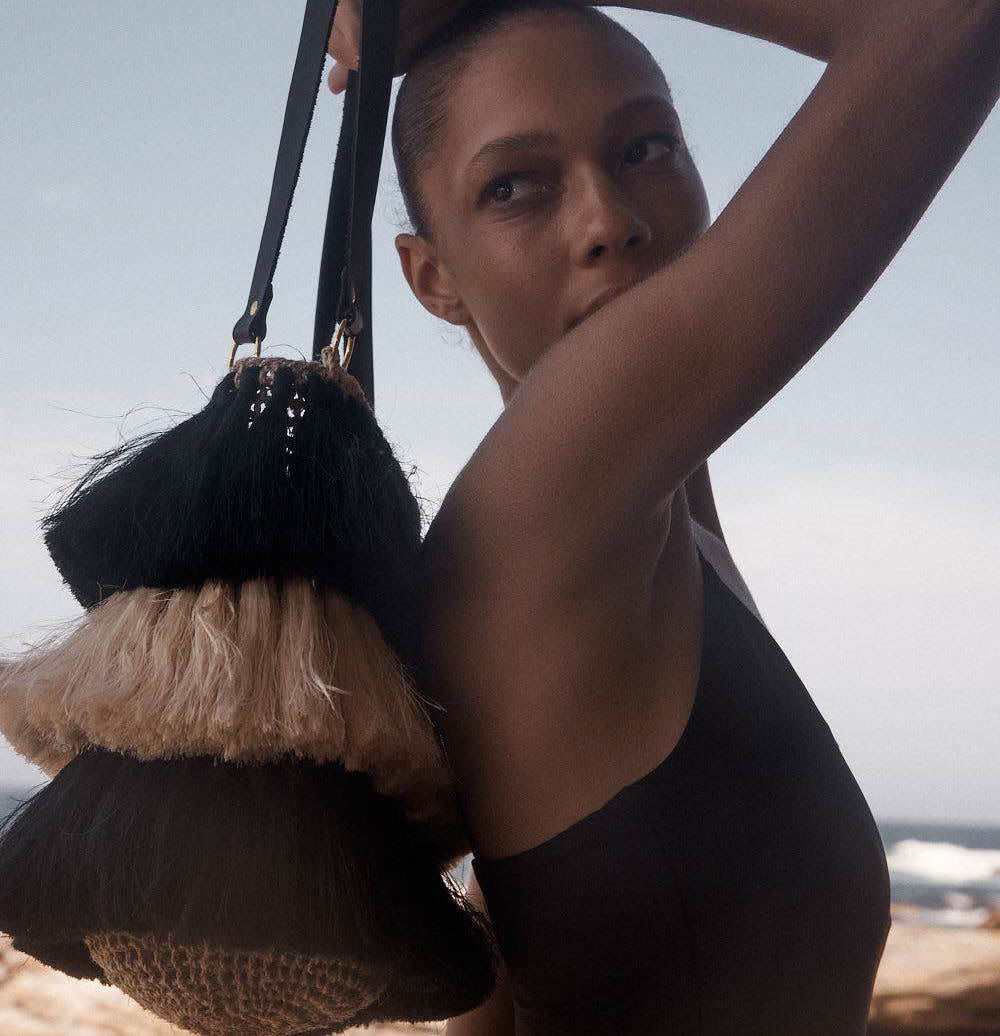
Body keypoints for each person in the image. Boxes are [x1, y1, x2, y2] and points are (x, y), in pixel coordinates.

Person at [327, 2, 999, 1033]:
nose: (608, 220)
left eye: (645, 147)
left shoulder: (659, 518)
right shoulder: (546, 511)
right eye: (514, 185)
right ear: (432, 279)